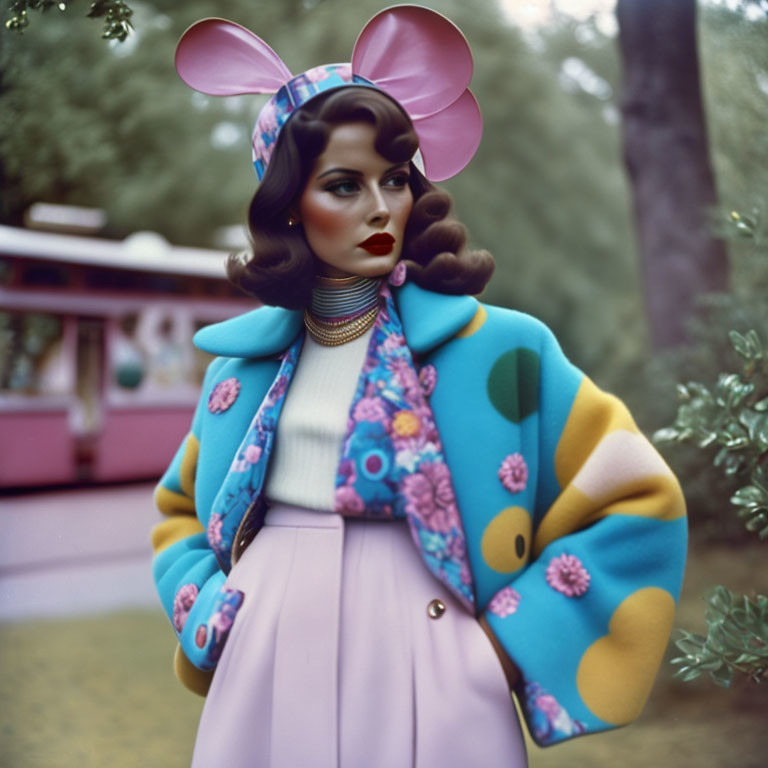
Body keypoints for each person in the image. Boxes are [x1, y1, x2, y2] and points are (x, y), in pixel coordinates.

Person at [151, 7, 687, 768]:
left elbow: (635, 495)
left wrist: (502, 649)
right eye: (343, 185)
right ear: (288, 208)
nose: (379, 207)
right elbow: (177, 511)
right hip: (260, 649)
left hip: (434, 653)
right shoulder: (240, 371)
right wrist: (209, 611)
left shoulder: (504, 352)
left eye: (394, 180)